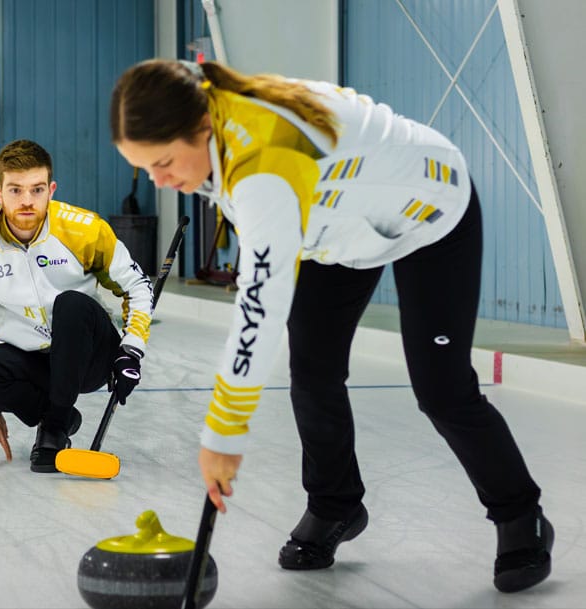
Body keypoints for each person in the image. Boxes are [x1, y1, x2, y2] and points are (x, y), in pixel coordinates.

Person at [110, 59, 553, 593]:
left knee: (442, 389)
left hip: (427, 212)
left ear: (202, 127)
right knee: (314, 374)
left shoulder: (265, 161)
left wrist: (222, 435)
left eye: (162, 163)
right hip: (333, 229)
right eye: (145, 170)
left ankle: (519, 515)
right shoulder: (215, 121)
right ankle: (335, 505)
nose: (161, 181)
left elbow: (259, 305)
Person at [0, 139, 154, 473]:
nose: (27, 201)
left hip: (88, 356)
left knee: (71, 304)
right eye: (15, 190)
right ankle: (57, 415)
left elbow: (137, 286)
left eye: (37, 189)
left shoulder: (85, 230)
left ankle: (53, 430)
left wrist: (130, 350)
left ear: (51, 189)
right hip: (32, 361)